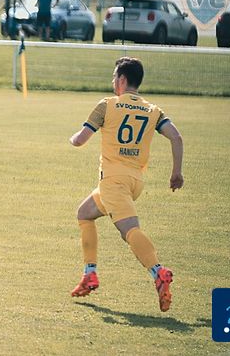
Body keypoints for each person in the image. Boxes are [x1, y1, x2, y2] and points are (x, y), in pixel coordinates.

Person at [68, 57, 184, 312]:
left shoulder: (107, 105)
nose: (113, 82)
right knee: (84, 213)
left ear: (121, 79)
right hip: (134, 181)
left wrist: (72, 139)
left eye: (114, 77)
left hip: (113, 181)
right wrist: (176, 173)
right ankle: (89, 274)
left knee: (129, 231)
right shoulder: (153, 110)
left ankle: (158, 271)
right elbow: (176, 137)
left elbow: (80, 140)